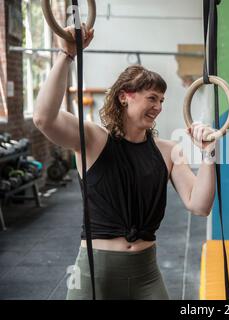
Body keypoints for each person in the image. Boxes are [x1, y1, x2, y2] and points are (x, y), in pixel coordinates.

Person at [33, 25, 218, 299]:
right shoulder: (93, 140)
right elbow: (43, 118)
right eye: (151, 98)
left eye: (162, 100)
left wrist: (208, 153)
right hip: (93, 274)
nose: (158, 107)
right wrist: (66, 54)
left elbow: (200, 205)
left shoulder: (169, 150)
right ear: (124, 96)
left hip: (147, 274)